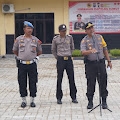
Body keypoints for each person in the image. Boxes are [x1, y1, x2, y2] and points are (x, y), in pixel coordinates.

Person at [80, 22, 112, 109]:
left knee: (103, 82)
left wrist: (109, 61)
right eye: (89, 28)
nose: (91, 29)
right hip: (90, 64)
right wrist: (90, 51)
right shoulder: (84, 40)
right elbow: (82, 52)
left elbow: (105, 49)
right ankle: (90, 102)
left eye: (92, 27)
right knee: (91, 83)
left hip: (100, 63)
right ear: (86, 31)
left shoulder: (99, 37)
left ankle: (104, 101)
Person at [13, 21, 42, 108]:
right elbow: (14, 50)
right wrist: (22, 57)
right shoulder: (18, 39)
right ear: (24, 29)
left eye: (31, 28)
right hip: (22, 65)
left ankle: (32, 100)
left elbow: (40, 51)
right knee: (22, 82)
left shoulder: (35, 40)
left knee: (33, 82)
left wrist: (32, 56)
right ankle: (23, 100)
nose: (29, 30)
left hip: (32, 64)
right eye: (28, 28)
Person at [51, 24, 78, 104]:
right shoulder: (56, 39)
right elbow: (53, 50)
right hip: (60, 60)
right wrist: (58, 57)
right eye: (62, 31)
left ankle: (74, 97)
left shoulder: (70, 38)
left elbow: (72, 47)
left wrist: (69, 54)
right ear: (59, 31)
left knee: (71, 78)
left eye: (65, 31)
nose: (64, 32)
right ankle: (59, 97)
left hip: (68, 60)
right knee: (59, 79)